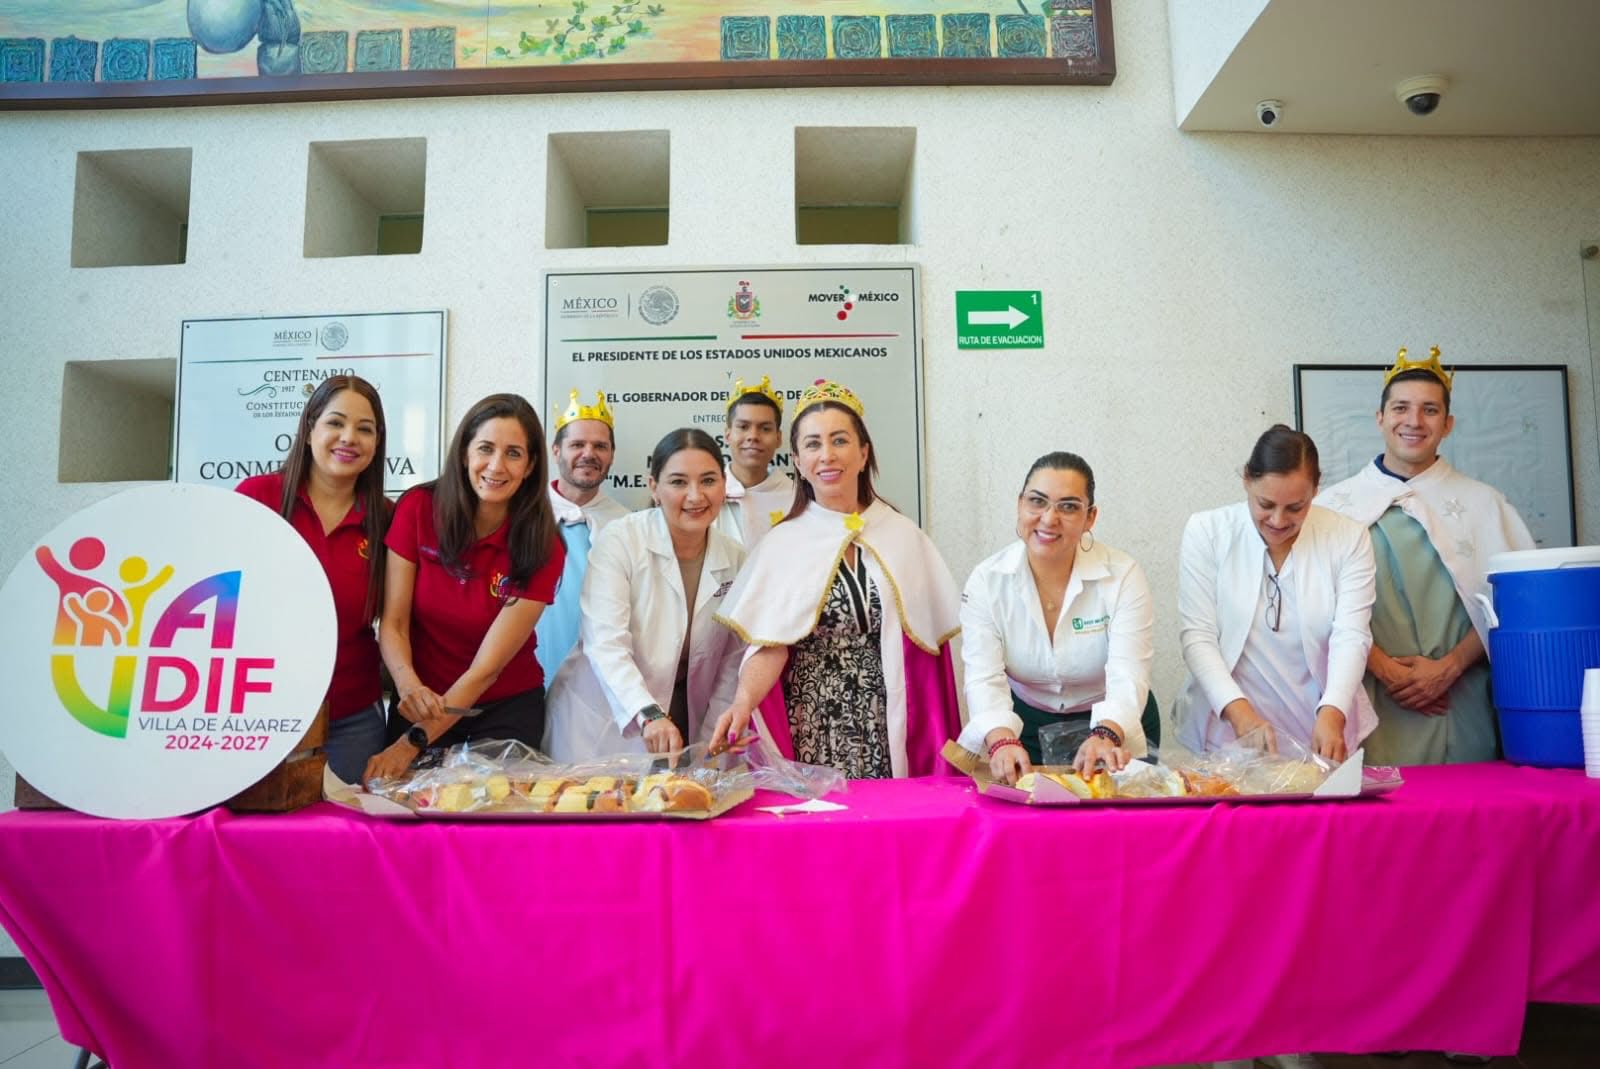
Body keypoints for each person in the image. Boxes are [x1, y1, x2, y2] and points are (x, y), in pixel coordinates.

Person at [710, 379, 962, 778]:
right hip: (812, 726)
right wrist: (742, 703)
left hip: (888, 723)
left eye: (839, 440)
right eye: (812, 444)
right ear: (797, 460)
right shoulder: (783, 544)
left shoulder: (902, 535)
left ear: (863, 454)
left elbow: (930, 659)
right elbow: (770, 645)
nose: (826, 455)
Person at [1318, 347, 1536, 765]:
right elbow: (1311, 606)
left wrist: (1449, 668)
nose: (1414, 421)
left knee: (1470, 818)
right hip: (1366, 696)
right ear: (1380, 418)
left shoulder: (1484, 504)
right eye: (1401, 407)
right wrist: (1385, 669)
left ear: (1448, 423)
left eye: (1430, 410)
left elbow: (1516, 606)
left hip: (1462, 697)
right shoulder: (1331, 509)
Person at [364, 394, 564, 782]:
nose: (496, 466)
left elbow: (485, 670)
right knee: (407, 821)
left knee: (492, 822)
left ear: (531, 465)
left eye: (514, 453)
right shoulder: (419, 508)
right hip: (421, 701)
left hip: (505, 708)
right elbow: (393, 622)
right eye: (485, 449)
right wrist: (409, 687)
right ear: (463, 454)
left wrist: (411, 743)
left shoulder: (543, 543)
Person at [1175, 425, 1378, 763]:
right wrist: (1238, 712)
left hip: (1322, 727)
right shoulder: (1208, 532)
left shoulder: (1348, 538)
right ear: (1246, 480)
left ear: (1316, 489)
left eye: (1296, 507)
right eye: (1265, 504)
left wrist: (1334, 710)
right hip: (1230, 727)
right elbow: (1198, 637)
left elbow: (1352, 635)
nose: (1278, 520)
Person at [544, 429, 747, 761]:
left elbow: (731, 661)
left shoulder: (736, 557)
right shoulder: (621, 540)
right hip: (599, 722)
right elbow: (606, 642)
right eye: (678, 482)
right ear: (654, 487)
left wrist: (715, 739)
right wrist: (647, 712)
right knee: (596, 804)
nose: (695, 496)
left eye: (708, 480)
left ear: (724, 484)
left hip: (681, 723)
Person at [959, 452, 1155, 785]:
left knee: (1117, 832)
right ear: (1020, 505)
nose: (1049, 519)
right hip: (1025, 729)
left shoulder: (1123, 575)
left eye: (1068, 506)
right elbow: (983, 676)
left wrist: (1107, 733)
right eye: (1037, 501)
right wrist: (1001, 739)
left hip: (1114, 725)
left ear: (1090, 518)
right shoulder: (987, 581)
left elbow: (1129, 671)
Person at [237, 374, 390, 784]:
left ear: (377, 444)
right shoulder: (257, 498)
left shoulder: (387, 520)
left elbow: (398, 621)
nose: (349, 438)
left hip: (352, 717)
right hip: (257, 712)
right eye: (335, 423)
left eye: (364, 429)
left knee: (344, 840)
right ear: (308, 431)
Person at [534, 389, 630, 682]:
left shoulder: (628, 526)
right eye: (577, 444)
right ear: (556, 450)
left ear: (612, 455)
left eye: (600, 446)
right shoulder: (522, 516)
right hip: (523, 686)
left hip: (599, 686)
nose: (589, 454)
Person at [713, 376, 793, 550]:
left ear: (778, 438)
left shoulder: (796, 498)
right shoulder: (707, 492)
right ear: (727, 435)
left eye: (765, 429)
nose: (753, 436)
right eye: (743, 427)